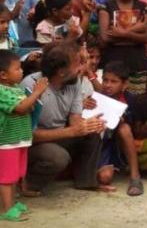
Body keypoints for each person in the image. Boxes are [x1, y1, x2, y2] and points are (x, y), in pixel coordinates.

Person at [22, 42, 106, 194]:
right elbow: (26, 135)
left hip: (59, 136)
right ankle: (28, 183)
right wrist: (73, 131)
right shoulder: (32, 86)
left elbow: (75, 119)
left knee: (92, 134)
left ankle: (86, 181)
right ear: (61, 72)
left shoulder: (73, 82)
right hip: (31, 144)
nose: (81, 68)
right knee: (58, 157)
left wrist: (89, 125)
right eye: (77, 64)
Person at [0, 50, 49, 221]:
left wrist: (35, 96)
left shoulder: (16, 88)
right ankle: (7, 209)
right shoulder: (1, 91)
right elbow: (21, 108)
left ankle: (13, 203)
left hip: (20, 139)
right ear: (3, 75)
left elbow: (27, 106)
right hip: (7, 142)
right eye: (17, 69)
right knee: (6, 178)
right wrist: (36, 93)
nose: (21, 71)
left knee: (15, 175)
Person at [94, 61, 144, 196]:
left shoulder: (131, 100)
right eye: (105, 80)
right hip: (102, 145)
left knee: (124, 128)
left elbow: (136, 130)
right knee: (105, 177)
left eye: (113, 81)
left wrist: (122, 120)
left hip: (120, 145)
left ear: (125, 84)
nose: (108, 85)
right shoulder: (96, 98)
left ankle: (135, 177)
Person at [98, 0, 147, 94]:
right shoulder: (106, 7)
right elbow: (105, 38)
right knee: (112, 99)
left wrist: (122, 33)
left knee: (136, 98)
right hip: (112, 64)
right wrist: (135, 34)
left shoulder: (143, 7)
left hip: (137, 63)